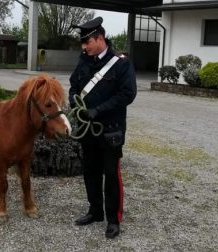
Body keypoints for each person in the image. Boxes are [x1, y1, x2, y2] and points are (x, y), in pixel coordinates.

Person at [69, 16, 137, 239]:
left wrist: (97, 110)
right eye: (83, 42)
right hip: (88, 129)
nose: (84, 46)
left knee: (111, 174)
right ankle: (95, 211)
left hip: (110, 130)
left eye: (87, 42)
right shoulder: (84, 60)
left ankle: (113, 219)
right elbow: (74, 86)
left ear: (100, 39)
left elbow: (127, 94)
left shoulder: (121, 63)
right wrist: (74, 101)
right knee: (90, 172)